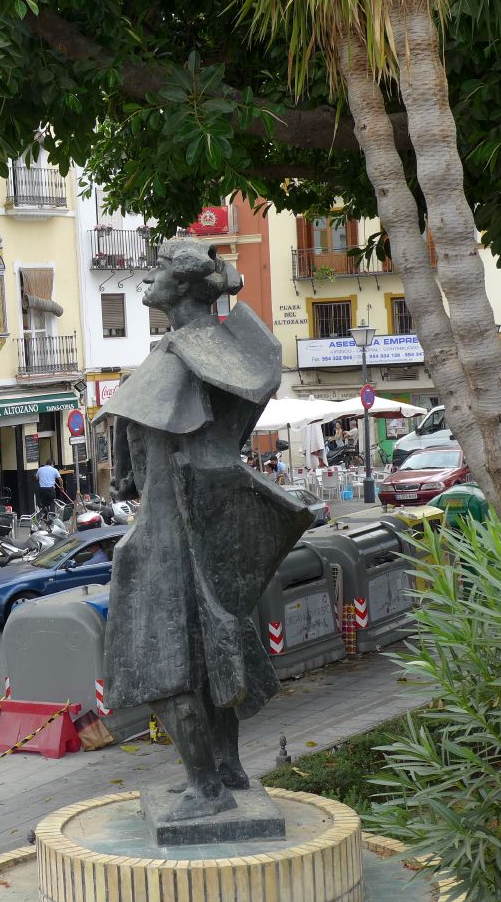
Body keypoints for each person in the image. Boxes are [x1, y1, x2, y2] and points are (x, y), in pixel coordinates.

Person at [97, 238, 312, 823]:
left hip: (174, 531)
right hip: (186, 525)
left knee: (163, 663)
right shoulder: (198, 350)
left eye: (161, 269)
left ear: (187, 286)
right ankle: (224, 770)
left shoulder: (191, 352)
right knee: (210, 654)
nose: (148, 278)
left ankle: (207, 788)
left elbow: (157, 449)